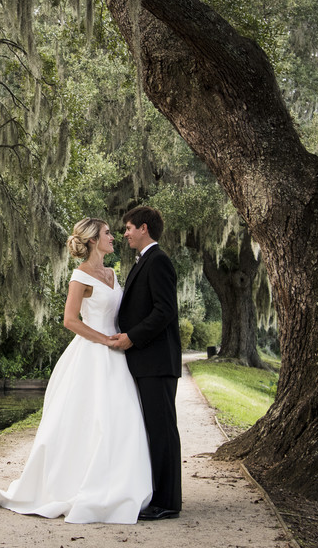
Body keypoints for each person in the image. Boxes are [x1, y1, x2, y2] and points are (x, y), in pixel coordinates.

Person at [0, 218, 153, 524]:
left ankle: (122, 484)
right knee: (88, 419)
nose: (113, 237)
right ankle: (76, 484)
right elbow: (70, 320)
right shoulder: (80, 276)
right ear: (93, 240)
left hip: (117, 356)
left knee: (122, 418)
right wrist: (104, 340)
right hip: (92, 354)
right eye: (107, 233)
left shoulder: (112, 273)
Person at [110, 206, 182, 520]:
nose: (124, 234)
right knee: (152, 430)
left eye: (127, 228)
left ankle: (167, 502)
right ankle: (156, 494)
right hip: (145, 362)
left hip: (157, 362)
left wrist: (132, 338)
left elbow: (164, 311)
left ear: (143, 228)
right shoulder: (145, 261)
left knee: (162, 430)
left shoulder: (159, 260)